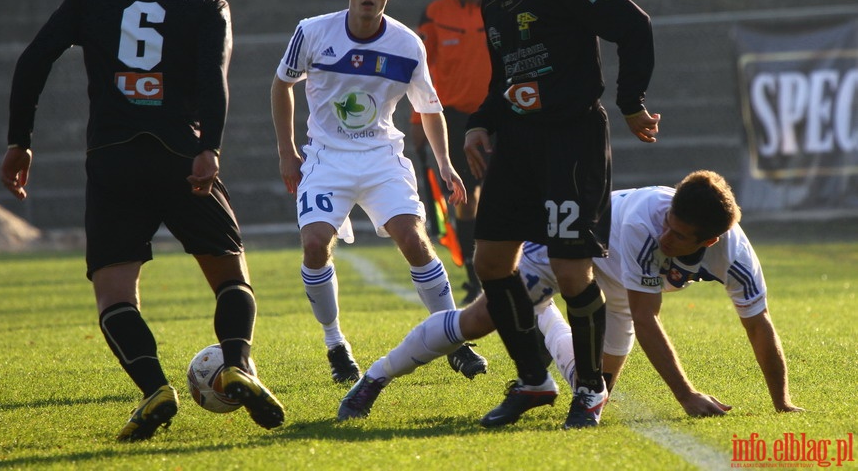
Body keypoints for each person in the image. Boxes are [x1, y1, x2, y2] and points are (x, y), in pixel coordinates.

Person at [0, 0, 284, 441]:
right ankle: (237, 366)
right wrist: (210, 150)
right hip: (183, 157)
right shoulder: (207, 4)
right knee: (230, 277)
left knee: (115, 294)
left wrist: (21, 142)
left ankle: (154, 387)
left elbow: (33, 60)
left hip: (113, 160)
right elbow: (214, 79)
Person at [443, 0, 661, 429]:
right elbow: (506, 79)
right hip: (517, 146)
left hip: (570, 139)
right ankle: (535, 379)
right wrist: (480, 124)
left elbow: (635, 25)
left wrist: (631, 103)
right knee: (491, 262)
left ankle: (589, 389)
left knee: (569, 269)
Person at [338, 171, 803, 422]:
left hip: (618, 285)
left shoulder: (737, 258)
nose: (667, 235)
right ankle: (375, 378)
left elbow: (758, 325)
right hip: (565, 251)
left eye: (680, 236)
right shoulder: (647, 222)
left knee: (595, 389)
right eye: (669, 221)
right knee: (479, 321)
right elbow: (648, 318)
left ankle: (539, 317)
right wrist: (686, 395)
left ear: (708, 243)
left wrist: (780, 401)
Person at [270, 0, 487, 386]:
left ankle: (454, 339)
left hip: (381, 156)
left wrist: (445, 163)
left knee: (413, 238)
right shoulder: (312, 33)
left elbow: (429, 108)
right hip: (326, 158)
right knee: (315, 245)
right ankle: (335, 344)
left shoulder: (407, 44)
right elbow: (281, 85)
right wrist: (287, 151)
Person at [411, 0, 491, 306]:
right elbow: (422, 73)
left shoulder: (502, 7)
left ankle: (509, 268)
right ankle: (474, 275)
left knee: (501, 194)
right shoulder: (435, 13)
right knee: (465, 198)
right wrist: (418, 122)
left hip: (499, 117)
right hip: (456, 121)